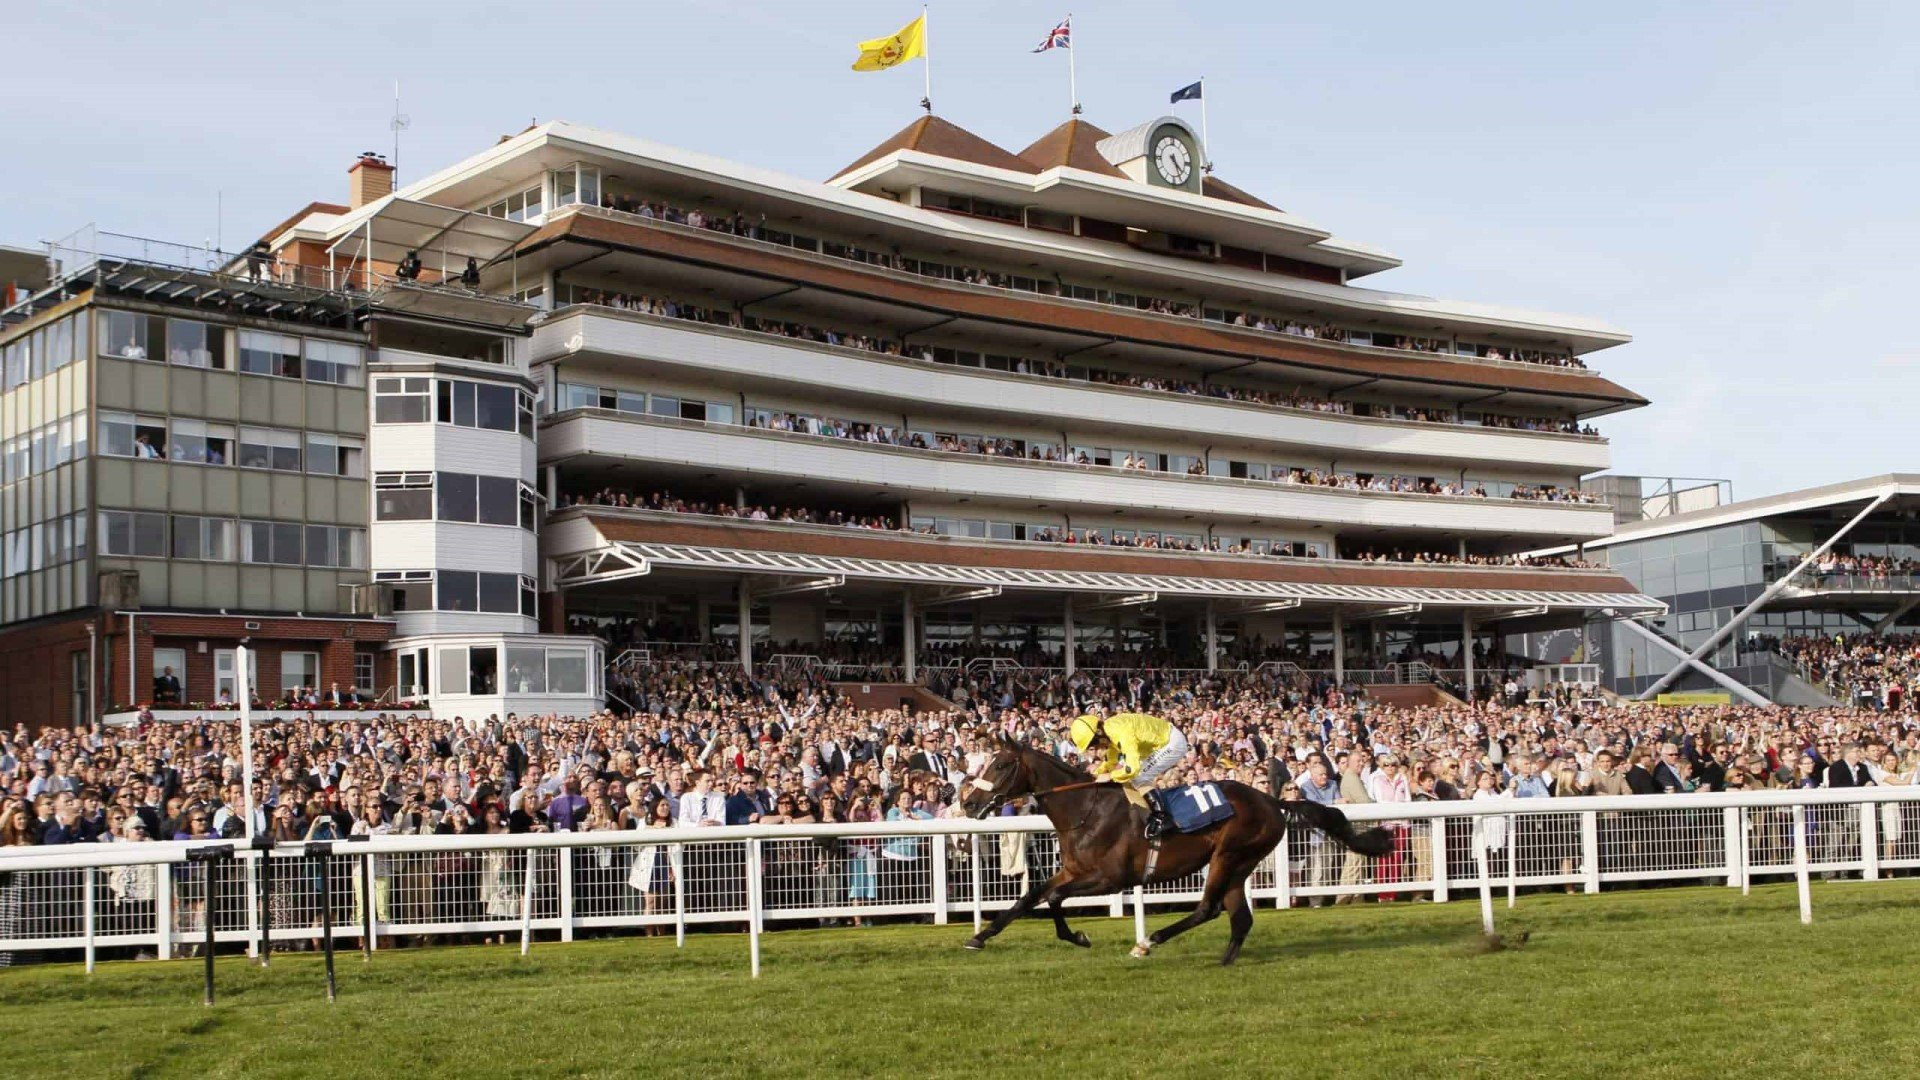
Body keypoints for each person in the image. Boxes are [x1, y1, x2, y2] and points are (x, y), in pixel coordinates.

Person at [1068, 710, 1190, 839]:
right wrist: (1095, 774)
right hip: (1159, 745)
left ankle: (1161, 819)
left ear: (1098, 732)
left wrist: (1109, 776)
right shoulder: (1109, 731)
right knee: (1134, 778)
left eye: (1093, 744)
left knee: (1139, 776)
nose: (1095, 748)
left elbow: (1132, 769)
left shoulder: (1120, 732)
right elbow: (1111, 761)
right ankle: (1149, 815)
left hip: (1171, 742)